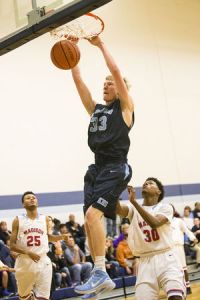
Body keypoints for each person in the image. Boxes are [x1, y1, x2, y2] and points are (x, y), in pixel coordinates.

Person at [70, 35, 134, 297]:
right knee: (89, 222)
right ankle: (102, 276)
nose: (106, 85)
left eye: (110, 83)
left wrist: (100, 45)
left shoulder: (125, 109)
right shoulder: (96, 109)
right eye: (104, 83)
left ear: (120, 90)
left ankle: (99, 271)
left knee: (91, 216)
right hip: (97, 168)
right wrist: (72, 53)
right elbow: (78, 81)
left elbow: (116, 71)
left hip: (116, 165)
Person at [116, 178, 186, 300]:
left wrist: (134, 202)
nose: (146, 184)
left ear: (158, 192)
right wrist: (114, 190)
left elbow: (155, 223)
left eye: (150, 183)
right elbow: (117, 209)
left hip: (167, 257)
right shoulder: (133, 209)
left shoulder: (166, 207)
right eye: (145, 183)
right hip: (144, 262)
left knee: (175, 297)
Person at [10, 191, 70, 300]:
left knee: (44, 297)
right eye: (28, 198)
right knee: (24, 297)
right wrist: (28, 252)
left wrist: (61, 237)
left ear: (37, 202)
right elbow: (12, 245)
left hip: (43, 261)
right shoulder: (17, 220)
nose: (32, 199)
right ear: (23, 204)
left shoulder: (45, 219)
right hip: (25, 262)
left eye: (34, 197)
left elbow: (47, 237)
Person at [171, 205, 198, 295]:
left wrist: (193, 238)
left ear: (174, 211)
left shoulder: (179, 221)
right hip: (168, 249)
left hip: (178, 247)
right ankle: (176, 289)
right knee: (172, 270)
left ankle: (188, 286)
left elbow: (187, 230)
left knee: (183, 268)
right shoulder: (162, 222)